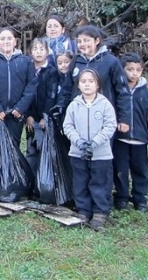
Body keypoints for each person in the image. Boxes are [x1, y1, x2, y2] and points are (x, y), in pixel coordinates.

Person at [62, 69, 117, 230]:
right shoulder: (74, 105)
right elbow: (68, 126)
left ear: (97, 84)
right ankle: (84, 210)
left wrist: (94, 142)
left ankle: (100, 212)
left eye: (91, 81)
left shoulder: (105, 104)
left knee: (99, 182)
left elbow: (110, 126)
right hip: (78, 153)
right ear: (78, 85)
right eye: (83, 81)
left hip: (100, 154)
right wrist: (78, 141)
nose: (87, 84)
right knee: (81, 182)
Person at [56, 25, 131, 138]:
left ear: (97, 40)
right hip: (78, 115)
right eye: (79, 41)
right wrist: (61, 109)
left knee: (100, 151)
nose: (82, 44)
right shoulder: (76, 61)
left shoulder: (111, 61)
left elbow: (122, 91)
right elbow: (67, 88)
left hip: (102, 117)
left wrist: (124, 119)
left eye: (86, 40)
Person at [113, 53, 148, 212]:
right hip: (120, 139)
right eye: (129, 69)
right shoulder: (117, 91)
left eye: (138, 70)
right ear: (122, 70)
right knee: (120, 170)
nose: (134, 73)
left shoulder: (146, 93)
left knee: (140, 171)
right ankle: (121, 198)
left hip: (140, 140)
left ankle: (140, 199)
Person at [0, 27, 38, 145]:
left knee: (13, 146)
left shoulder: (25, 61)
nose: (6, 41)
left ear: (15, 41)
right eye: (3, 38)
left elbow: (31, 86)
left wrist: (20, 108)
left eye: (9, 38)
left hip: (15, 114)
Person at [25, 38, 60, 177]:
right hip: (30, 116)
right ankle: (31, 181)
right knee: (31, 149)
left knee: (45, 149)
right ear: (30, 52)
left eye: (41, 49)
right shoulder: (27, 68)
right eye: (35, 49)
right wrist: (28, 115)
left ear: (47, 52)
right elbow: (25, 93)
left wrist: (46, 116)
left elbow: (51, 95)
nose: (38, 52)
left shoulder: (51, 71)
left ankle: (45, 182)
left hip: (46, 117)